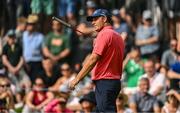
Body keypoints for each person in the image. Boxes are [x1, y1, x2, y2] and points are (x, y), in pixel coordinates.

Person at [69, 9, 125, 112]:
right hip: (113, 82)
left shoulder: (104, 35)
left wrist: (77, 79)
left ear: (104, 19)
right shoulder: (117, 36)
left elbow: (93, 59)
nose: (92, 22)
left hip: (105, 82)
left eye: (95, 19)